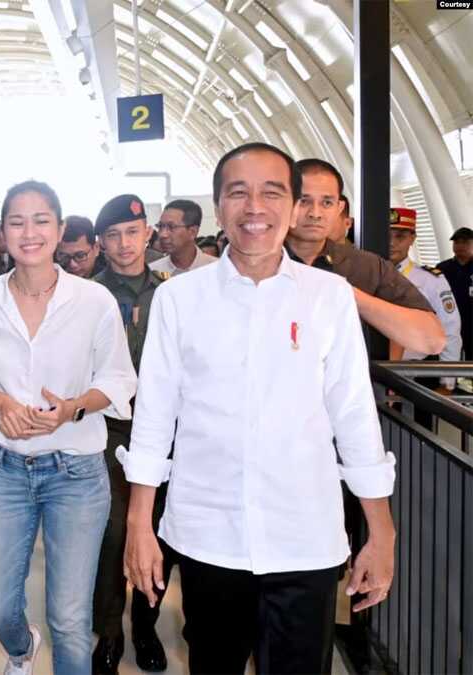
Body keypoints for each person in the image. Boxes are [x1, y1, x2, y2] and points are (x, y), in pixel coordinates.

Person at [121, 142, 396, 674]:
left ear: (293, 208)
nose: (255, 208)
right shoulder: (180, 299)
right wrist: (140, 525)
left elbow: (355, 417)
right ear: (220, 208)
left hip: (306, 538)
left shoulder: (328, 297)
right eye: (238, 193)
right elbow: (154, 417)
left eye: (272, 192)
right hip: (208, 537)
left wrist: (381, 532)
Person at [0, 181, 137, 675]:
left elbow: (120, 378)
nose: (29, 232)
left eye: (41, 221)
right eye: (17, 221)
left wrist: (75, 407)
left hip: (76, 472)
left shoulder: (93, 300)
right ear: (3, 232)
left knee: (71, 617)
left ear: (59, 230)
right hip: (4, 469)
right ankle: (20, 648)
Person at [88, 195, 171, 674]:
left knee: (158, 532)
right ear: (101, 243)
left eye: (132, 232)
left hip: (162, 434)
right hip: (108, 433)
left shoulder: (170, 294)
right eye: (113, 235)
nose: (124, 244)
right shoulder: (88, 295)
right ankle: (110, 633)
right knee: (112, 534)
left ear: (148, 235)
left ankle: (146, 624)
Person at [285, 158, 444, 356]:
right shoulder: (254, 261)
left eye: (327, 202)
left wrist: (349, 295)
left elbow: (432, 341)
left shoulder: (367, 267)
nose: (315, 213)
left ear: (339, 208)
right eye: (304, 201)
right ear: (284, 202)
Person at [388, 207, 462, 390]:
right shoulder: (362, 274)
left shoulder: (430, 280)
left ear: (412, 239)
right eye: (386, 235)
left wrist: (447, 383)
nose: (391, 243)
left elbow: (450, 329)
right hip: (370, 371)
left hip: (417, 375)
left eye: (400, 237)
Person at [151, 200, 217, 276]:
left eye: (171, 227)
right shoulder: (153, 272)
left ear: (193, 232)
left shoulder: (216, 269)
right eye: (160, 226)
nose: (163, 234)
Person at [437, 226, 473, 359]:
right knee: (449, 356)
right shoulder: (443, 268)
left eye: (465, 242)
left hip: (470, 322)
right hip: (449, 322)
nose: (460, 245)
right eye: (457, 242)